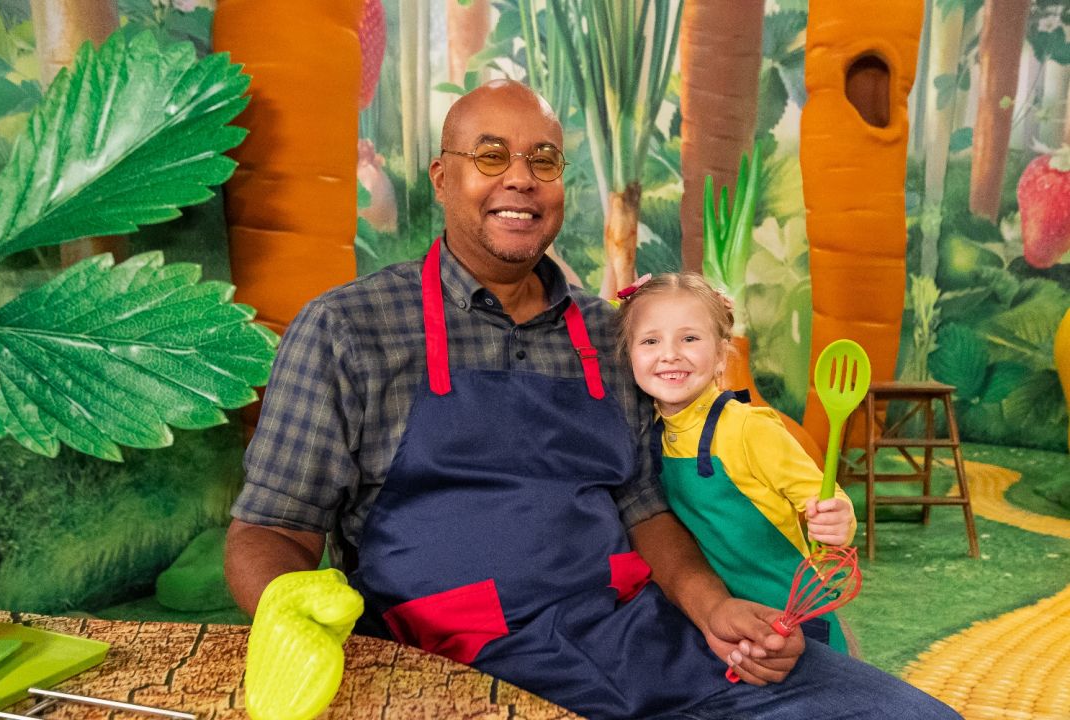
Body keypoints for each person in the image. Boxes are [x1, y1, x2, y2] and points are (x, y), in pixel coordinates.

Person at [225, 79, 961, 720]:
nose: (521, 179)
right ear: (442, 178)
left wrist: (714, 610)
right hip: (449, 661)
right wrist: (303, 627)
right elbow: (271, 529)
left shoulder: (615, 338)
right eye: (491, 156)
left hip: (636, 639)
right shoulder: (349, 330)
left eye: (543, 160)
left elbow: (644, 508)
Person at [616, 272, 856, 653]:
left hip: (793, 613)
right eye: (650, 340)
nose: (670, 353)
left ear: (720, 354)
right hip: (724, 621)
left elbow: (823, 496)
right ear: (628, 354)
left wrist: (838, 517)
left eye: (689, 338)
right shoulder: (649, 431)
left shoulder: (750, 428)